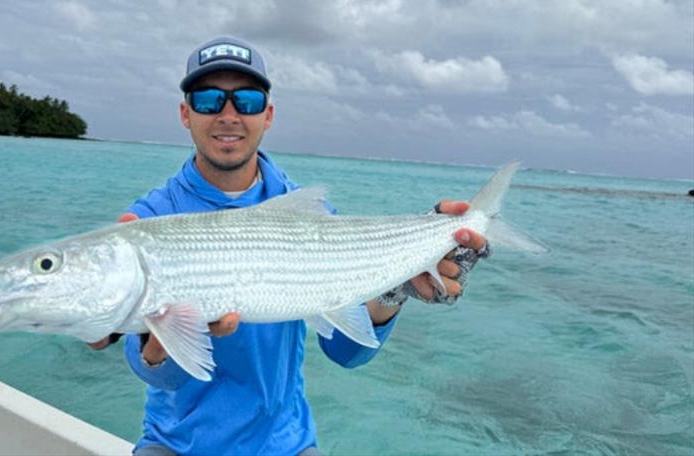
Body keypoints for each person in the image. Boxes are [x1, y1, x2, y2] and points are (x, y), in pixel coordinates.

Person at [90, 36, 489, 456]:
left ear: (268, 115)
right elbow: (156, 377)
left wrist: (397, 288)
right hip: (176, 444)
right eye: (209, 100)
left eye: (246, 100)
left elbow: (345, 353)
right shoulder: (151, 217)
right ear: (185, 113)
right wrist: (160, 337)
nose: (228, 115)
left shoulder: (306, 216)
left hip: (284, 445)